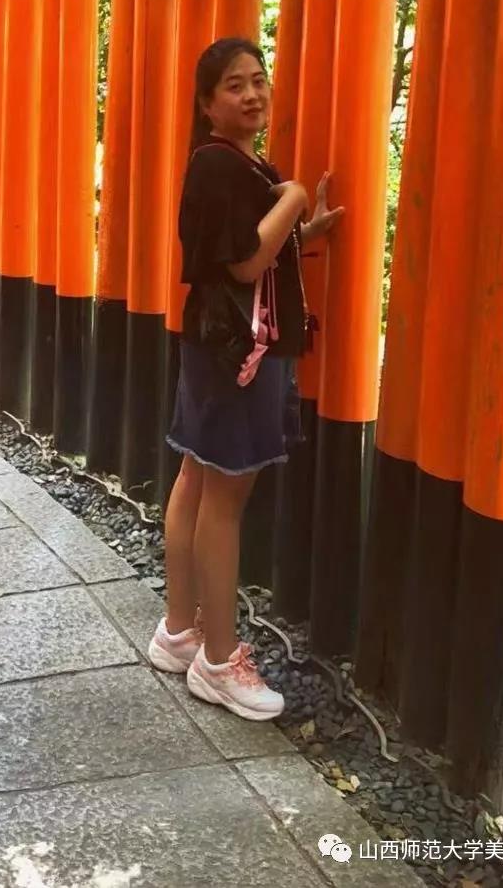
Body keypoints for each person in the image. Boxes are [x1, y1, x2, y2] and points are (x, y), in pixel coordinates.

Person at [147, 37, 344, 721]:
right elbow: (244, 263)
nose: (253, 93)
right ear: (207, 104)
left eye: (259, 80)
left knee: (195, 478)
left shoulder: (230, 164)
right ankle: (218, 660)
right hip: (241, 356)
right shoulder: (222, 165)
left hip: (216, 347)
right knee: (224, 499)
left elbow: (241, 252)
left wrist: (305, 227)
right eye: (235, 85)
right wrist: (295, 197)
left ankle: (179, 631)